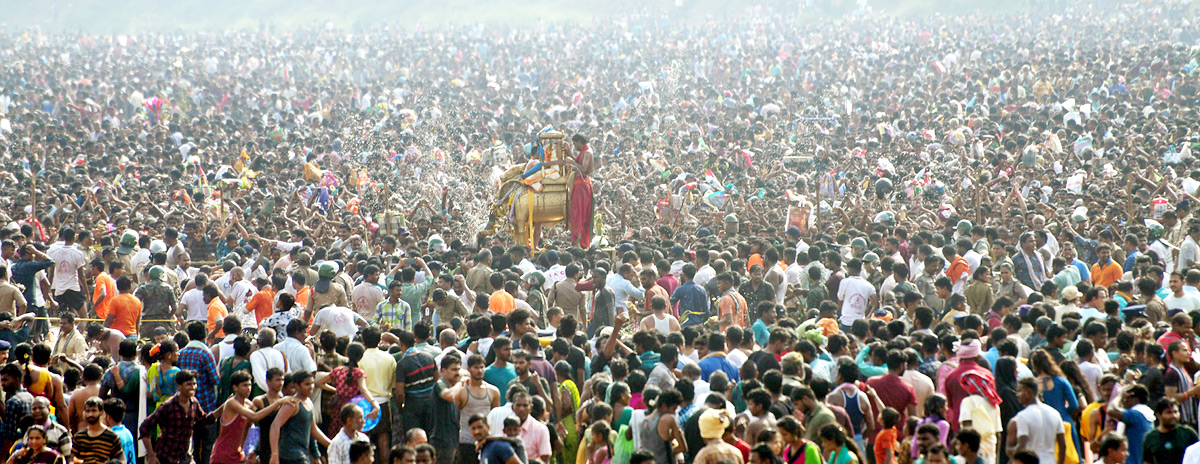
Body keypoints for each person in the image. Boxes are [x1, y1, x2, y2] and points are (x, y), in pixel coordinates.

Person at [270, 371, 332, 464]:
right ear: (297, 386)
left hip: (302, 453)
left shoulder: (309, 402)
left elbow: (313, 430)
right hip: (290, 455)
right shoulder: (292, 404)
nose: (311, 387)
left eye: (312, 383)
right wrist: (274, 454)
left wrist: (332, 444)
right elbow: (275, 426)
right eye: (307, 384)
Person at [1006, 377, 1065, 464]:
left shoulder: (1023, 416)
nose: (1017, 395)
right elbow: (1062, 446)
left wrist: (1010, 453)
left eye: (1019, 391)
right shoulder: (1055, 413)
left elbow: (1021, 446)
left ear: (1029, 392)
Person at [1142, 398, 1200, 464]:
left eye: (1175, 412)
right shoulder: (1151, 437)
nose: (1174, 416)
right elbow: (1148, 461)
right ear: (1159, 415)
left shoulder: (1188, 433)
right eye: (1169, 412)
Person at [74, 397, 124, 464]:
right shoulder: (79, 437)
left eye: (93, 411)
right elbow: (71, 459)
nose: (90, 414)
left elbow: (122, 460)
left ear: (101, 412)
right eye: (88, 411)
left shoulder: (112, 437)